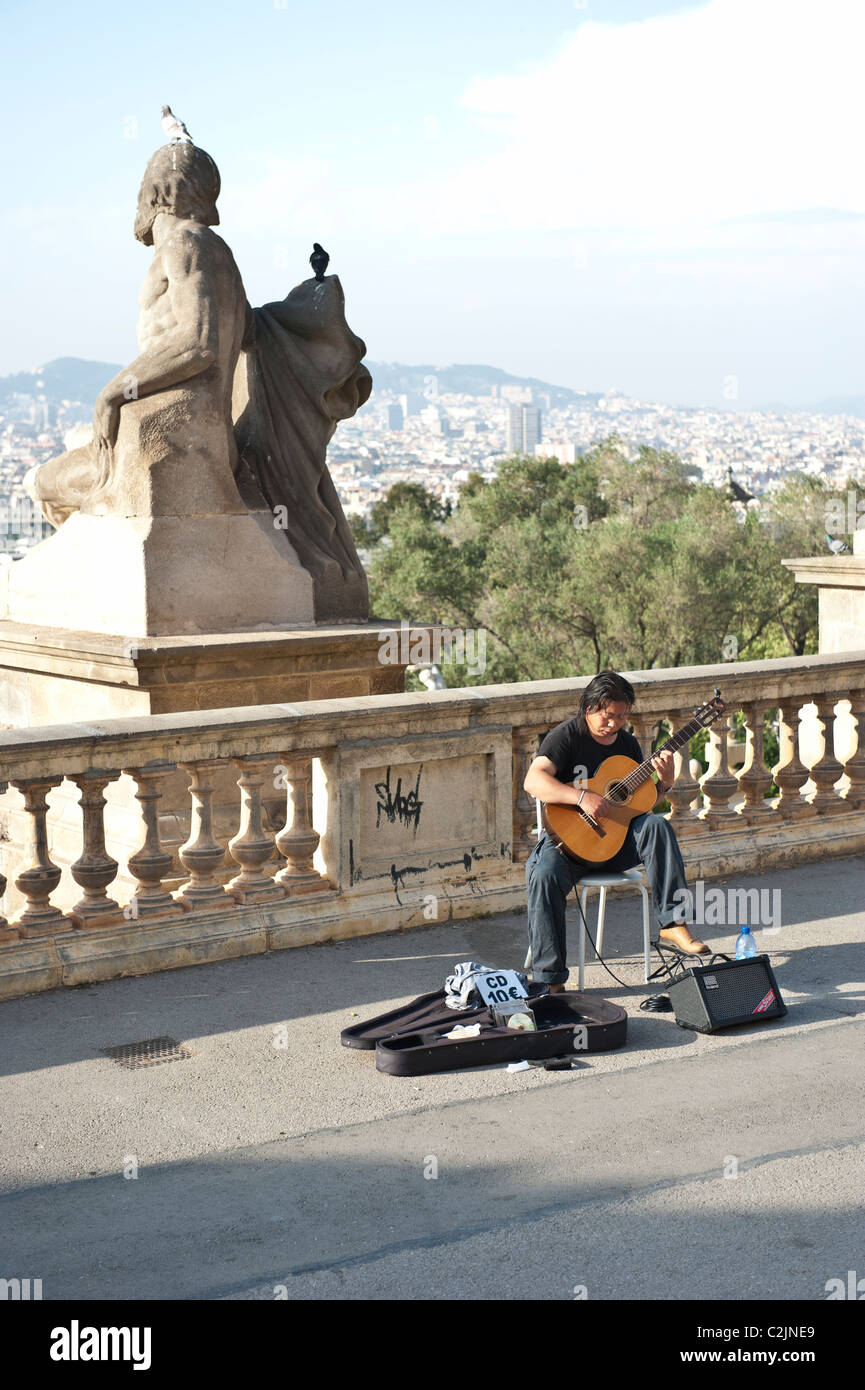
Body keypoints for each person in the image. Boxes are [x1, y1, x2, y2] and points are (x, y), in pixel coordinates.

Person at [523, 669, 709, 993]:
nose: (615, 724)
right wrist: (582, 798)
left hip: (615, 842)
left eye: (622, 717)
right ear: (589, 707)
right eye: (609, 716)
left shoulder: (627, 744)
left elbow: (639, 807)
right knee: (542, 876)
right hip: (567, 842)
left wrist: (663, 784)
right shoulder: (565, 736)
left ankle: (673, 923)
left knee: (657, 827)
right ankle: (549, 980)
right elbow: (533, 781)